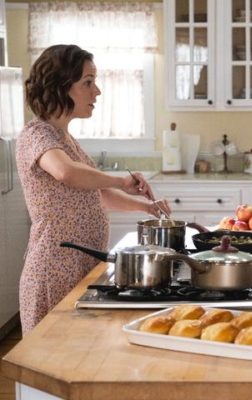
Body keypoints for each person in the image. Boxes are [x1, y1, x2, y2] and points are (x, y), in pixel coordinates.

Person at [16, 44, 171, 334]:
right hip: (54, 269)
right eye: (88, 82)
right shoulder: (36, 134)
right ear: (60, 86)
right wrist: (119, 180)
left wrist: (144, 206)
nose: (96, 91)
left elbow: (95, 194)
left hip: (80, 265)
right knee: (52, 362)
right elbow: (67, 173)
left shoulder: (65, 139)